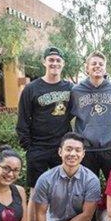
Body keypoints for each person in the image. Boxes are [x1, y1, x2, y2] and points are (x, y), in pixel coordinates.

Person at [71, 51, 111, 221]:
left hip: (110, 147)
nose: (97, 67)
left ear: (105, 67)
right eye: (93, 64)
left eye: (100, 64)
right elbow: (66, 115)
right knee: (90, 191)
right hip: (87, 150)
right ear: (87, 67)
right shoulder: (76, 91)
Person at [16, 46, 73, 190]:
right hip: (38, 147)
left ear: (63, 63)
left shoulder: (70, 88)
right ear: (44, 62)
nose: (54, 63)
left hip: (62, 147)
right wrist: (28, 147)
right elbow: (22, 119)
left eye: (58, 60)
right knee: (36, 191)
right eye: (51, 60)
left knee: (63, 189)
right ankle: (34, 214)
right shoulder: (31, 89)